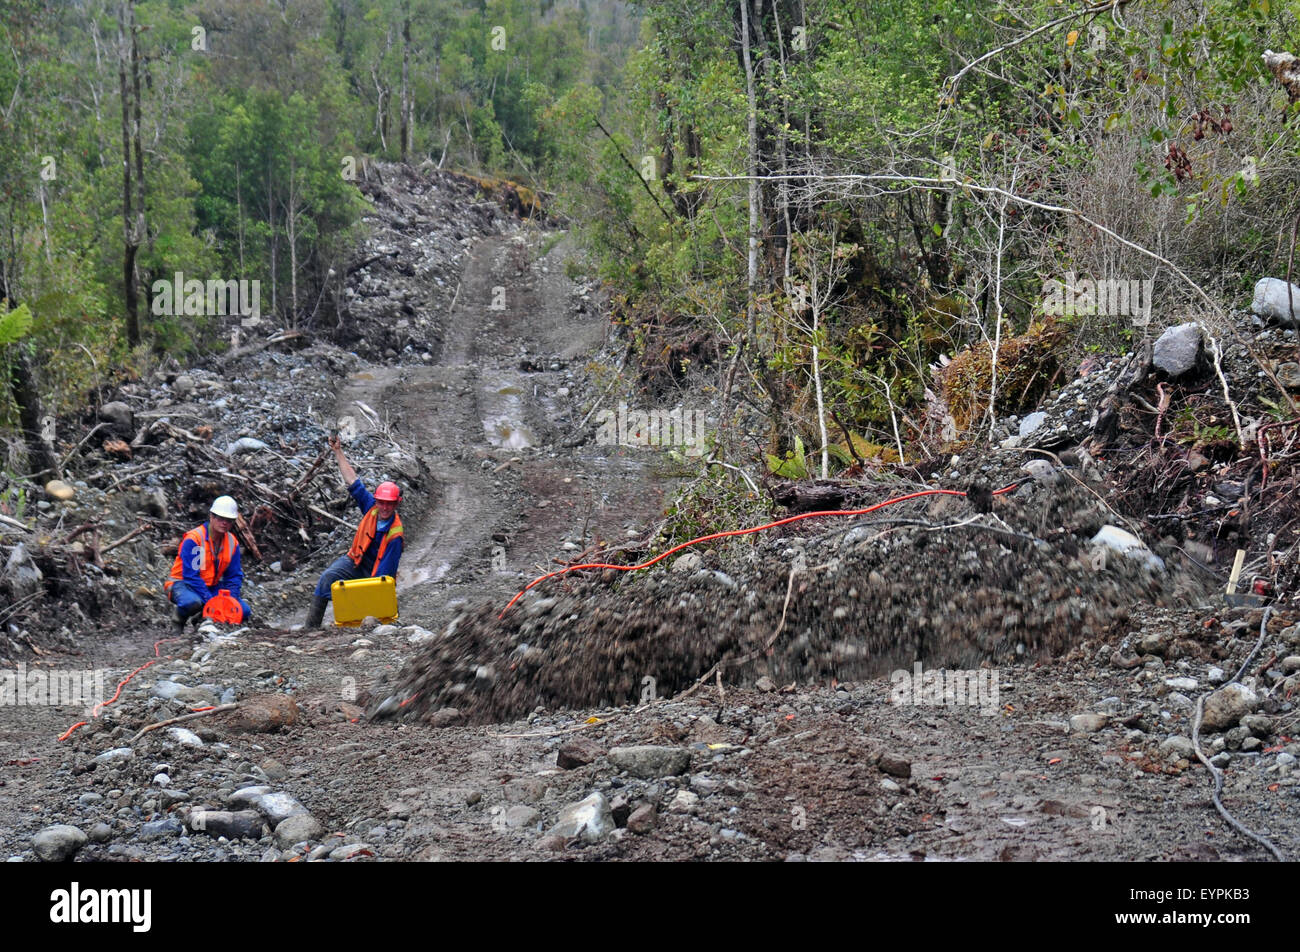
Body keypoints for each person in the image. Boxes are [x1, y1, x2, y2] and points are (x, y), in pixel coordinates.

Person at [305, 436, 404, 628]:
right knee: (327, 579)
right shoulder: (371, 508)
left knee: (367, 608)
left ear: (396, 504)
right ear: (376, 501)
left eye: (389, 504)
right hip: (356, 560)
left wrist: (372, 592)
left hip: (375, 572)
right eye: (381, 502)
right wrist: (338, 452)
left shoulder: (395, 537)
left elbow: (385, 575)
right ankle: (310, 628)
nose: (384, 507)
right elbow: (352, 481)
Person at [165, 495, 251, 630]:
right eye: (221, 518)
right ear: (212, 517)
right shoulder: (196, 540)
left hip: (211, 585)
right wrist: (211, 601)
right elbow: (191, 576)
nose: (224, 523)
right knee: (192, 602)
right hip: (183, 584)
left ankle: (200, 618)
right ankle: (178, 621)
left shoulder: (231, 542)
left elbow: (234, 576)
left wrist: (230, 601)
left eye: (228, 520)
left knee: (243, 611)